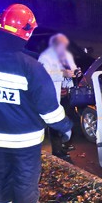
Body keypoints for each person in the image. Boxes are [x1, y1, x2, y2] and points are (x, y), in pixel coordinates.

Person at [0, 4, 72, 203]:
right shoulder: (31, 67)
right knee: (25, 181)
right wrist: (66, 126)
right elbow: (49, 109)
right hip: (24, 140)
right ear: (26, 32)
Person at [38, 33, 77, 161]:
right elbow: (43, 75)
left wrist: (74, 73)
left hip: (65, 95)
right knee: (55, 123)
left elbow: (71, 71)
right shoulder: (45, 57)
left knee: (67, 120)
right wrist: (62, 73)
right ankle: (57, 151)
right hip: (52, 96)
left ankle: (64, 145)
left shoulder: (65, 56)